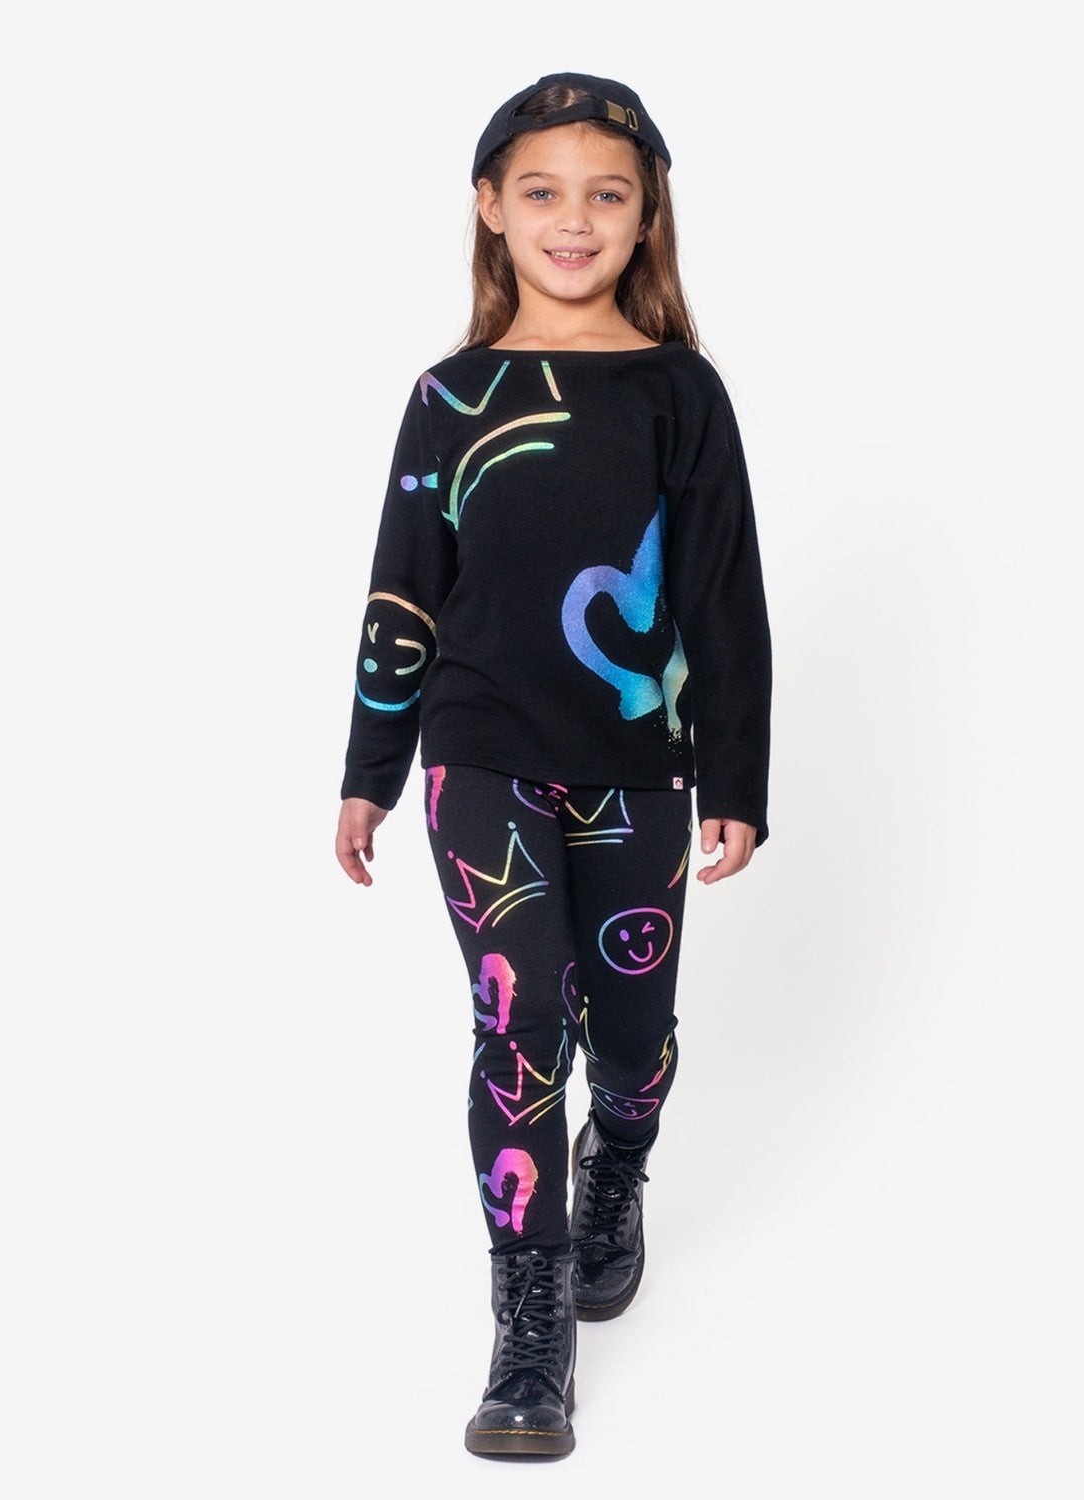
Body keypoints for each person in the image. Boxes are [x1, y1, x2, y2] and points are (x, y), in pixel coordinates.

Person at [334, 71, 772, 1459]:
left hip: (636, 764)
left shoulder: (679, 394)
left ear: (646, 218)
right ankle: (530, 1327)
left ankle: (619, 1159)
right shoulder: (450, 395)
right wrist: (371, 765)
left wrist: (735, 777)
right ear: (489, 206)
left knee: (630, 1040)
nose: (572, 219)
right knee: (521, 1028)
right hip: (478, 756)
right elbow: (405, 586)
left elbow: (723, 597)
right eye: (541, 191)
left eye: (605, 195)